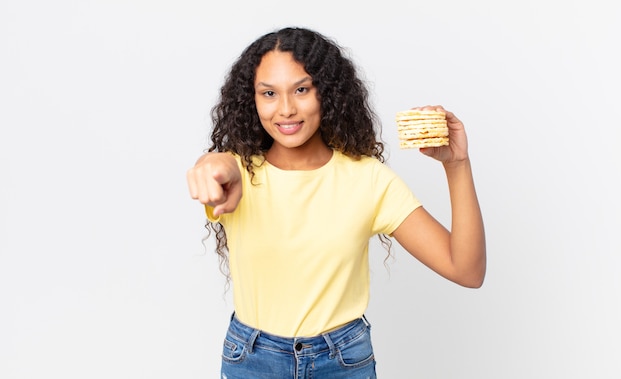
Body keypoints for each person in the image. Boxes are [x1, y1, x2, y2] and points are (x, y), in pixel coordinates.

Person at [186, 26, 486, 379]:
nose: (285, 109)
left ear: (326, 92)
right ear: (251, 99)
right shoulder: (238, 173)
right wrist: (211, 163)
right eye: (269, 93)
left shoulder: (368, 179)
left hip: (342, 362)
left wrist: (457, 165)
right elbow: (218, 168)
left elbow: (466, 270)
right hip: (254, 362)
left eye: (301, 89)